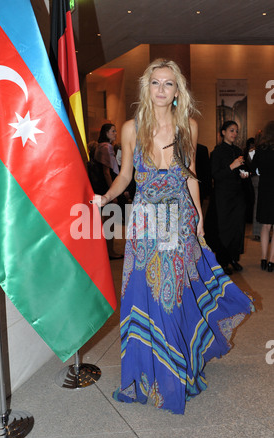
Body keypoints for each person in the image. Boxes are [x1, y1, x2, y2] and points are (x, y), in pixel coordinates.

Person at [92, 59, 253, 414]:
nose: (161, 90)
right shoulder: (131, 127)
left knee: (171, 294)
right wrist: (104, 198)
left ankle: (173, 371)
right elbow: (125, 178)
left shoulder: (188, 127)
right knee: (144, 293)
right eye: (155, 83)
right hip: (147, 219)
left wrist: (196, 219)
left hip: (177, 218)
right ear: (146, 88)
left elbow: (191, 174)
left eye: (168, 84)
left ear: (178, 90)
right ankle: (153, 370)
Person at [208, 121, 249, 273]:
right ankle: (222, 261)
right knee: (224, 229)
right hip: (223, 196)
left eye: (236, 131)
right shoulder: (217, 152)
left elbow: (243, 170)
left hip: (237, 196)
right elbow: (215, 175)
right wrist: (232, 166)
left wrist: (245, 174)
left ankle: (233, 258)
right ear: (223, 132)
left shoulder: (238, 150)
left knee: (237, 229)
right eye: (231, 130)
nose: (234, 134)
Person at [94, 123, 123, 259]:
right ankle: (109, 251)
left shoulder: (100, 146)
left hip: (101, 187)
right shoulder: (106, 147)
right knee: (110, 220)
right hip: (106, 187)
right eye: (113, 131)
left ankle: (106, 250)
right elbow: (107, 172)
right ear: (106, 133)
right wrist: (113, 192)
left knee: (106, 220)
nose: (115, 133)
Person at [251, 121, 274, 272]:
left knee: (265, 226)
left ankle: (264, 259)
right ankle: (272, 261)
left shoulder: (260, 149)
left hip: (265, 188)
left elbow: (253, 169)